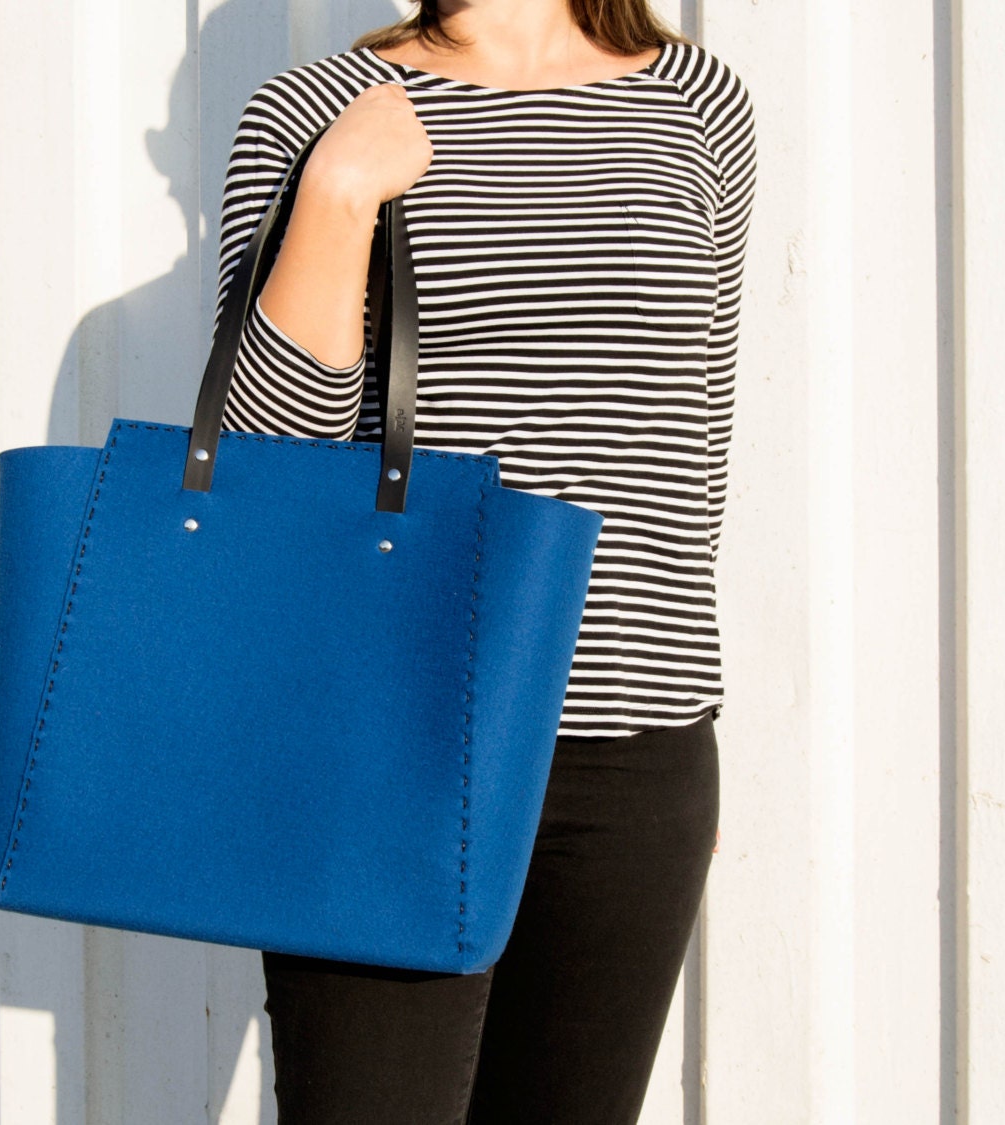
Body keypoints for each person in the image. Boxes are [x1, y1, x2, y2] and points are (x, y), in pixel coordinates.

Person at [211, 1, 757, 1121]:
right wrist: (338, 194)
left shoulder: (699, 105)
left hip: (633, 757)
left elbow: (694, 440)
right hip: (389, 743)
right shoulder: (314, 110)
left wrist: (677, 698)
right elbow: (262, 475)